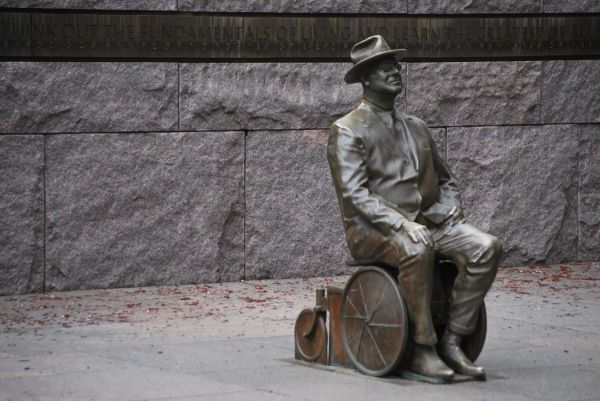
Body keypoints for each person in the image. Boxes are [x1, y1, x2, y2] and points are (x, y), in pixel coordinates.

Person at [327, 35, 502, 381]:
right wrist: (401, 224)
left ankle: (453, 340)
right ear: (365, 79)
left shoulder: (417, 126)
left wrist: (451, 208)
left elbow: (446, 180)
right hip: (374, 230)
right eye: (384, 68)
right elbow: (354, 194)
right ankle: (423, 349)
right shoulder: (347, 130)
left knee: (487, 248)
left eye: (395, 65)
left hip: (430, 221)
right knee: (417, 245)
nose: (395, 71)